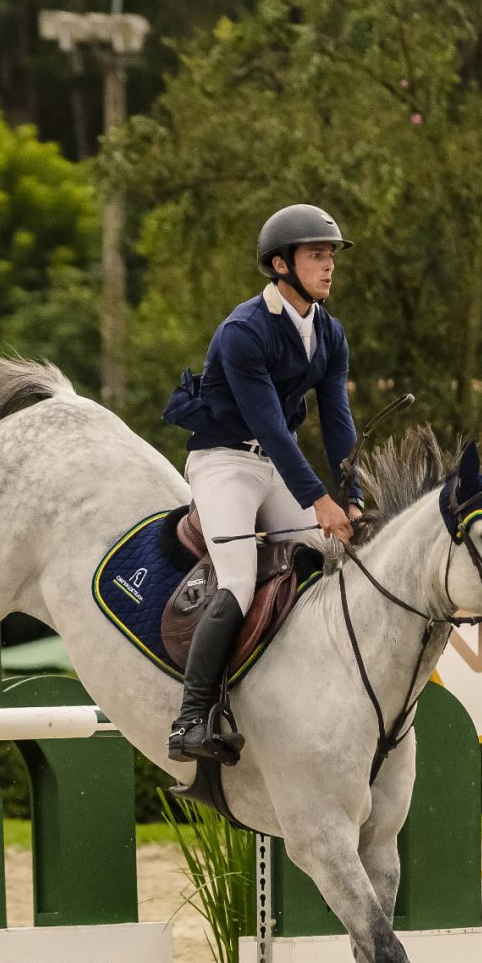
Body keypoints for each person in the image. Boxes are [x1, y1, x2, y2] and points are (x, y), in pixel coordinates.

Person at [159, 203, 363, 763]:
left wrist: (353, 494)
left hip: (275, 463)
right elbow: (272, 428)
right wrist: (319, 499)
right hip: (223, 462)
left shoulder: (329, 332)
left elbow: (337, 420)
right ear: (280, 264)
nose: (328, 266)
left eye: (330, 256)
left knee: (334, 551)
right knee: (239, 580)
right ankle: (191, 718)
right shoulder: (243, 331)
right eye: (317, 255)